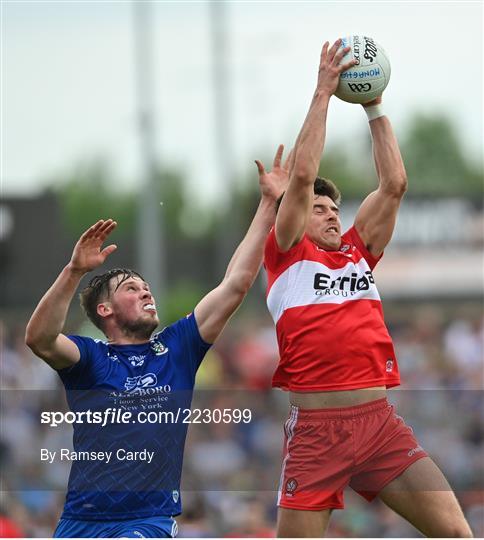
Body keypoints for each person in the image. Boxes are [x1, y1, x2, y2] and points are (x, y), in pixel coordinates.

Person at [261, 39, 473, 537]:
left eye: (336, 208)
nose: (332, 213)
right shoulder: (287, 253)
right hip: (317, 435)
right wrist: (324, 93)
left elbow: (395, 182)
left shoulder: (358, 252)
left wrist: (374, 103)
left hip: (378, 425)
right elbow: (304, 175)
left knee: (458, 534)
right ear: (295, 216)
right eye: (320, 208)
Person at [25, 152, 289, 539]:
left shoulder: (177, 348)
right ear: (105, 309)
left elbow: (235, 283)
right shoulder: (91, 358)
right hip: (80, 522)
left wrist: (268, 205)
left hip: (147, 521)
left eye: (145, 285)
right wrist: (75, 271)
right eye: (131, 288)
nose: (145, 290)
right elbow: (40, 338)